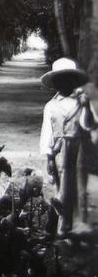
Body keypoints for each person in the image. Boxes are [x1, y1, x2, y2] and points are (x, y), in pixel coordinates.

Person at [39, 57, 97, 236]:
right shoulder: (51, 106)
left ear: (73, 80)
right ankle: (60, 225)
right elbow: (47, 133)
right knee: (59, 186)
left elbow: (89, 125)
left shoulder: (82, 102)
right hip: (59, 152)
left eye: (68, 79)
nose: (64, 83)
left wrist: (86, 106)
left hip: (79, 149)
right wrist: (48, 157)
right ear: (55, 83)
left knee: (78, 187)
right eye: (60, 80)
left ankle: (76, 226)